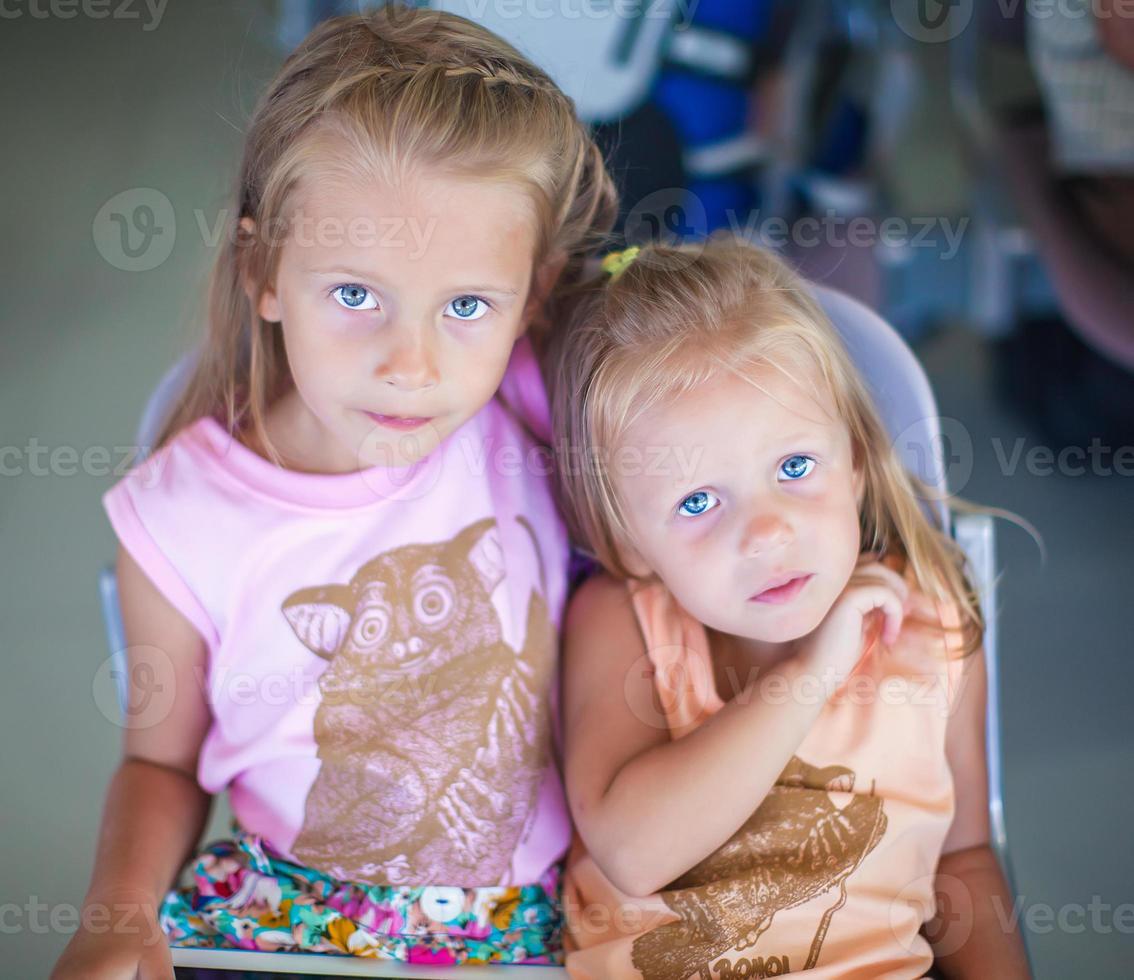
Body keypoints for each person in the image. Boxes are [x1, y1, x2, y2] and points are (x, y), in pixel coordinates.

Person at [51, 6, 617, 976]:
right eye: (356, 294)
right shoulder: (180, 519)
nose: (411, 364)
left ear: (531, 296)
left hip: (537, 930)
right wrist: (116, 912)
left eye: (467, 305)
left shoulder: (532, 403)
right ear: (263, 269)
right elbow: (159, 761)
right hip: (294, 926)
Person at [545, 238, 1032, 978]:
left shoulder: (932, 626)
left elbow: (963, 859)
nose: (766, 532)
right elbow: (635, 853)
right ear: (631, 539)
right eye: (698, 502)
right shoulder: (622, 619)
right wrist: (814, 671)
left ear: (859, 463)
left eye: (795, 467)